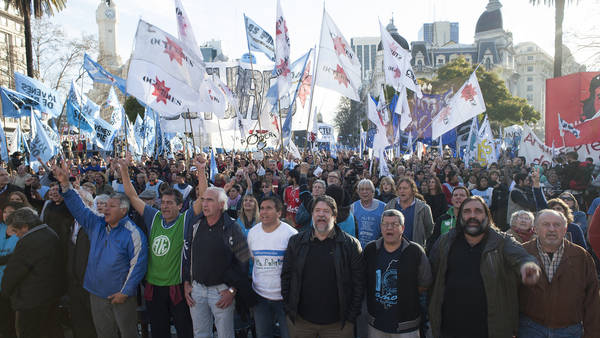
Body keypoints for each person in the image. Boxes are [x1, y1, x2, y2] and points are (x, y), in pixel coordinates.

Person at [54, 162, 148, 338]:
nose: (105, 208)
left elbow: (138, 266)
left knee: (127, 333)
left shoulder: (133, 234)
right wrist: (65, 185)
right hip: (95, 293)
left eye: (111, 206)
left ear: (123, 210)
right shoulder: (96, 224)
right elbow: (79, 209)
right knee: (104, 333)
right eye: (105, 205)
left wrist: (125, 292)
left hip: (120, 296)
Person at [428, 196, 541, 338]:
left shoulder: (502, 242)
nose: (472, 216)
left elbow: (522, 258)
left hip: (490, 328)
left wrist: (528, 267)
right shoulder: (445, 241)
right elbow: (430, 271)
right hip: (449, 326)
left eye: (478, 211)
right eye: (467, 211)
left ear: (487, 215)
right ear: (460, 216)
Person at [119, 155, 205, 338]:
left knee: (184, 330)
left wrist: (201, 171)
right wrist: (125, 171)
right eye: (163, 202)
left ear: (180, 206)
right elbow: (132, 196)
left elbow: (203, 198)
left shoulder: (185, 220)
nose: (164, 206)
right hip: (153, 286)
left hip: (177, 288)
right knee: (159, 331)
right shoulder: (154, 217)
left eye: (169, 203)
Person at [282, 195, 364, 337]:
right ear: (312, 214)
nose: (321, 214)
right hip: (301, 323)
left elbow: (359, 283)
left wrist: (351, 317)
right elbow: (286, 276)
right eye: (317, 210)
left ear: (334, 216)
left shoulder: (350, 245)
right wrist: (289, 309)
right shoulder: (295, 242)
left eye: (326, 211)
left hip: (339, 326)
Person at [183, 186, 252, 338]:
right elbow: (188, 255)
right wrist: (187, 282)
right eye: (203, 200)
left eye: (210, 200)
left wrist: (232, 290)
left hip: (221, 292)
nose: (205, 204)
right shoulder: (196, 225)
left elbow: (243, 261)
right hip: (197, 290)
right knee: (200, 333)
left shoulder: (232, 227)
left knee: (225, 335)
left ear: (221, 204)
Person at [518, 209, 600, 337]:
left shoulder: (581, 256)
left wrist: (593, 333)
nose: (552, 229)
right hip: (531, 328)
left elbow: (592, 298)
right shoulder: (521, 253)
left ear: (565, 229)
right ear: (535, 229)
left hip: (569, 330)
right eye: (546, 224)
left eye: (557, 225)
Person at [364, 209, 432, 337]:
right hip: (376, 323)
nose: (389, 228)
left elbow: (425, 282)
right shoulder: (370, 250)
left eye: (394, 224)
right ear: (381, 227)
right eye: (385, 224)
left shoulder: (415, 251)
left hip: (407, 325)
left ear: (403, 228)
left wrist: (407, 294)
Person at [2, 208, 64, 338]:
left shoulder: (28, 241)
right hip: (51, 296)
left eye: (15, 230)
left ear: (25, 227)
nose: (15, 235)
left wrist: (5, 292)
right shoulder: (50, 233)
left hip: (30, 301)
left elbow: (14, 273)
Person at [248, 197, 297, 338]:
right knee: (263, 334)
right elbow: (253, 259)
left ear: (279, 213)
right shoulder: (253, 233)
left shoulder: (291, 234)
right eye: (262, 208)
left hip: (285, 298)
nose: (264, 212)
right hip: (260, 297)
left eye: (269, 208)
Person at [67, 189, 98, 338]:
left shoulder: (96, 226)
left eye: (78, 201)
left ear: (89, 204)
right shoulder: (70, 223)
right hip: (74, 285)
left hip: (91, 286)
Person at [385, 178, 434, 247]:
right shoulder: (390, 206)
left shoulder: (423, 208)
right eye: (400, 188)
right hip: (393, 248)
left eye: (405, 188)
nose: (402, 191)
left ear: (412, 190)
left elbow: (429, 230)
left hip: (414, 249)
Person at [0, 202, 21, 338]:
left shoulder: (22, 231)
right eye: (5, 211)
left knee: (13, 320)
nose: (7, 214)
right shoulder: (1, 228)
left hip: (14, 283)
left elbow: (20, 255)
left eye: (11, 211)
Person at [428, 186, 470, 251]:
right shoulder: (441, 219)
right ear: (451, 200)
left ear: (468, 199)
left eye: (462, 195)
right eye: (455, 195)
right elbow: (433, 243)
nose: (458, 197)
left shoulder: (472, 220)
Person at [351, 179, 386, 249]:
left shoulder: (384, 207)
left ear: (373, 192)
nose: (364, 192)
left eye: (367, 189)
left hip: (377, 248)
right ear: (358, 192)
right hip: (357, 249)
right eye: (362, 189)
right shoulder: (353, 207)